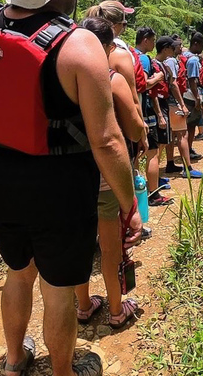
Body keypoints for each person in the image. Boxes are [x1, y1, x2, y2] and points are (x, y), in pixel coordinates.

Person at [0, 0, 141, 376]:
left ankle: (15, 359)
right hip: (59, 188)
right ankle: (62, 372)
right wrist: (129, 204)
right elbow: (108, 140)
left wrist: (4, 160)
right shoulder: (78, 45)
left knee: (18, 273)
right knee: (59, 290)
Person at [74, 17, 143, 329]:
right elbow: (133, 126)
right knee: (110, 246)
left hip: (71, 175)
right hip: (104, 178)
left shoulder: (64, 76)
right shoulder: (111, 78)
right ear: (108, 46)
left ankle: (84, 306)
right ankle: (117, 310)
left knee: (79, 243)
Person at [134, 27, 173, 206]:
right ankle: (153, 194)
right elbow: (144, 86)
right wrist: (157, 78)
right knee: (153, 153)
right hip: (145, 110)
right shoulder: (143, 59)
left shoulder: (128, 53)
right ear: (146, 40)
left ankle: (138, 190)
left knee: (137, 154)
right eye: (152, 40)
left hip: (135, 110)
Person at [155, 36, 203, 178]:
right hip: (172, 102)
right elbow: (173, 84)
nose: (180, 48)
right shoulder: (170, 61)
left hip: (167, 102)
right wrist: (182, 104)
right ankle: (187, 168)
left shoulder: (162, 62)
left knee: (171, 135)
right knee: (182, 133)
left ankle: (170, 163)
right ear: (167, 49)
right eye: (177, 46)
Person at [181, 32, 203, 161]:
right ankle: (188, 150)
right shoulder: (194, 59)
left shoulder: (183, 55)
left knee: (184, 125)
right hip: (191, 96)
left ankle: (186, 149)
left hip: (183, 94)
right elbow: (192, 80)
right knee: (190, 126)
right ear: (196, 44)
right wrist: (197, 99)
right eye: (202, 44)